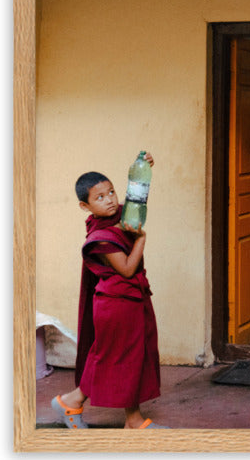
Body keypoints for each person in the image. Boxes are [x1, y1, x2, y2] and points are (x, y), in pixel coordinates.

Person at [50, 155, 166, 429]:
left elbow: (137, 202)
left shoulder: (118, 218)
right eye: (100, 197)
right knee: (123, 359)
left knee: (116, 356)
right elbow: (126, 269)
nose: (110, 199)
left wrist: (142, 169)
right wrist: (141, 239)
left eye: (111, 191)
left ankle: (71, 402)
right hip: (116, 304)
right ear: (85, 206)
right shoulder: (100, 238)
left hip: (129, 301)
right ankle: (132, 421)